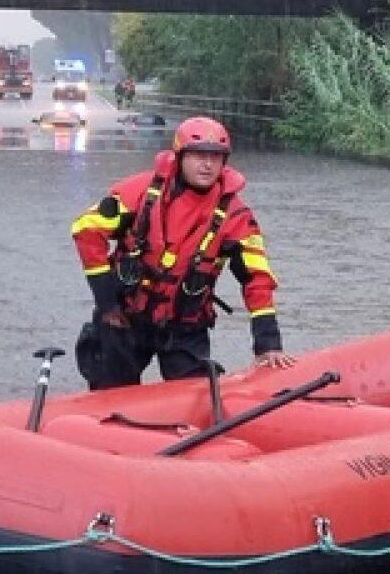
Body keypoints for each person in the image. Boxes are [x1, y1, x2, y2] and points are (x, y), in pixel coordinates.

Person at [70, 116, 294, 388]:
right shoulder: (140, 193)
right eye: (199, 155)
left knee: (196, 395)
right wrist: (107, 303)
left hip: (185, 326)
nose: (208, 164)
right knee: (108, 390)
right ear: (179, 157)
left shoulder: (237, 217)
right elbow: (86, 230)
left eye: (216, 157)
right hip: (125, 317)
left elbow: (257, 278)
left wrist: (267, 343)